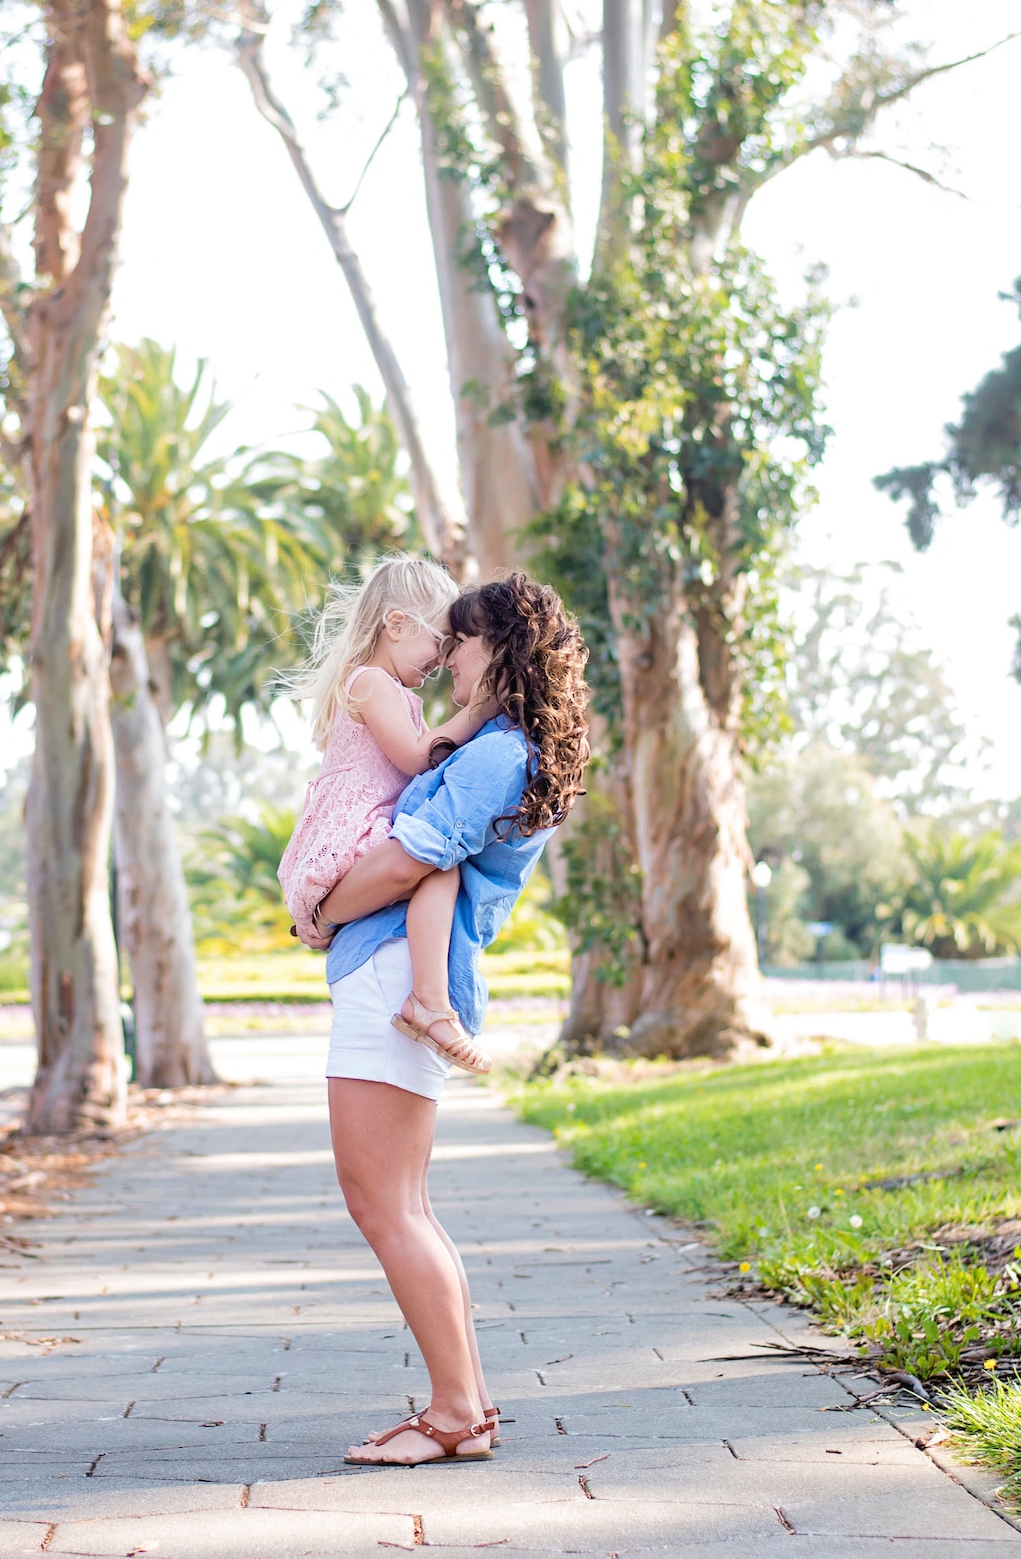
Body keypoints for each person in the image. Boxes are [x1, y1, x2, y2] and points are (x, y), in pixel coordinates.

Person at [315, 573, 590, 1466]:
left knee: (385, 1206)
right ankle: (464, 1408)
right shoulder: (504, 749)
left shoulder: (495, 754)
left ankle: (454, 1415)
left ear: (496, 648)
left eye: (461, 642)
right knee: (404, 1207)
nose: (449, 658)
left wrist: (317, 913)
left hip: (397, 974)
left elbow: (405, 865)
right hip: (396, 969)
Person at [278, 557, 500, 1070]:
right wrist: (478, 711)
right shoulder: (370, 683)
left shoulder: (392, 690)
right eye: (439, 640)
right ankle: (429, 1002)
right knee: (439, 866)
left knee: (438, 867)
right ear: (396, 624)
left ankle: (429, 999)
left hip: (372, 822)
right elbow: (415, 757)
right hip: (356, 825)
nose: (442, 659)